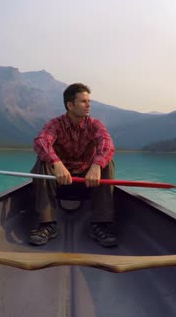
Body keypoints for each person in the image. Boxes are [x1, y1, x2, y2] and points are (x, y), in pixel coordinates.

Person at [30, 83, 117, 247]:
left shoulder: (94, 124)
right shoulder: (55, 124)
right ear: (70, 105)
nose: (88, 105)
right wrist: (56, 162)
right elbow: (40, 141)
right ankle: (47, 224)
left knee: (107, 162)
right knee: (43, 161)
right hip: (60, 181)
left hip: (88, 182)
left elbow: (107, 144)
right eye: (84, 101)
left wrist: (96, 166)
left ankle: (100, 224)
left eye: (89, 101)